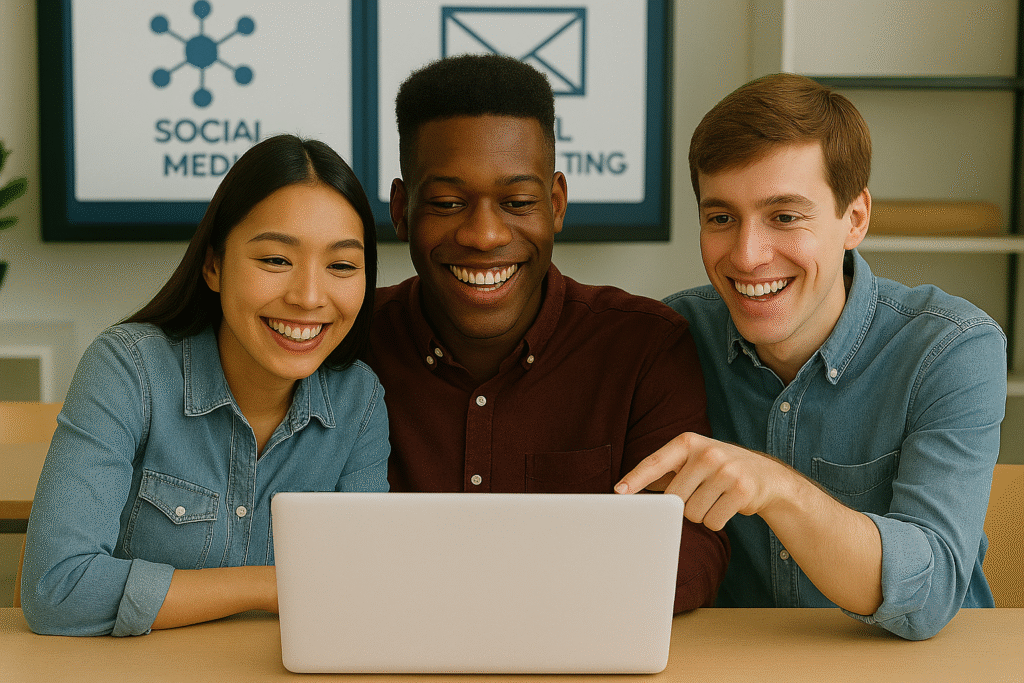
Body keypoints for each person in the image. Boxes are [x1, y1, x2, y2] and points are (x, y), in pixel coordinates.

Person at [616, 73, 1007, 639]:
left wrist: (774, 488)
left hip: (920, 670)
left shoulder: (950, 347)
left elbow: (930, 593)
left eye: (785, 217)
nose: (749, 256)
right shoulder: (670, 338)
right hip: (738, 669)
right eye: (721, 218)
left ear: (855, 219)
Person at [364, 54, 729, 612]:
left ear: (555, 204)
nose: (485, 235)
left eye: (517, 203)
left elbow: (689, 550)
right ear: (401, 209)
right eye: (446, 203)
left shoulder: (643, 348)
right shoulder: (347, 344)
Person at [21, 134, 390, 636]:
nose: (308, 296)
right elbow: (57, 589)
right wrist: (269, 586)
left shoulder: (359, 400)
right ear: (214, 265)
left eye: (342, 265)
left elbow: (364, 589)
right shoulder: (129, 368)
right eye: (276, 260)